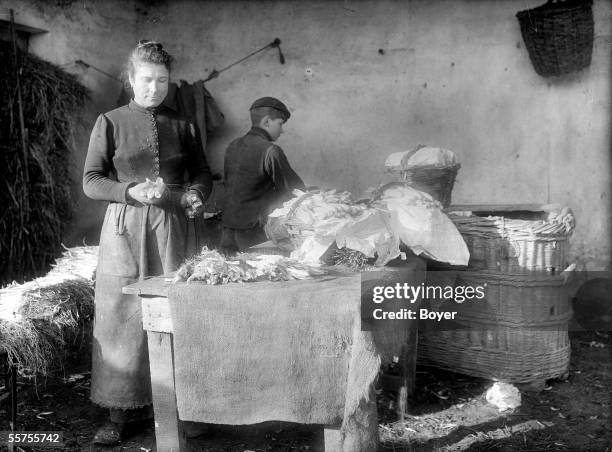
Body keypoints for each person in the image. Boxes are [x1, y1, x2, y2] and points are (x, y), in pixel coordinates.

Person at [83, 40, 212, 445]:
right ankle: (121, 411)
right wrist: (129, 192)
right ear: (131, 79)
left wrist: (195, 194)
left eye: (162, 81)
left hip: (173, 227)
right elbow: (91, 181)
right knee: (122, 313)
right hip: (124, 228)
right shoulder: (110, 121)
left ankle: (180, 407)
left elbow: (203, 174)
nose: (154, 88)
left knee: (175, 309)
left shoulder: (184, 124)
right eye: (146, 80)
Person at [220, 97, 305, 252]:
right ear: (266, 122)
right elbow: (295, 191)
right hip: (254, 233)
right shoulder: (270, 151)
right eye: (280, 124)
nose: (282, 130)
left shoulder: (233, 146)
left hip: (227, 231)